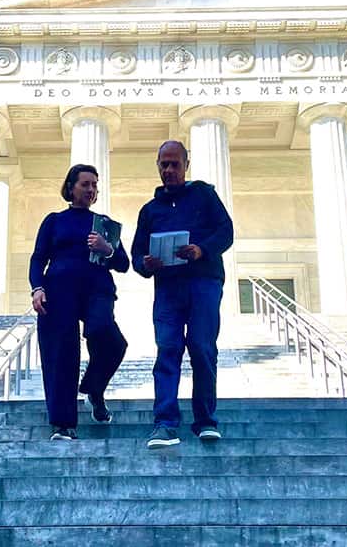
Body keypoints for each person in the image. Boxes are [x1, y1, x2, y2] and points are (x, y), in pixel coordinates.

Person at [132, 140, 234, 449]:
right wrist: (145, 264)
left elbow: (226, 232)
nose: (169, 170)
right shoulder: (150, 210)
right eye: (164, 164)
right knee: (167, 350)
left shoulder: (204, 195)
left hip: (203, 282)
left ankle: (205, 421)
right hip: (168, 289)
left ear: (186, 165)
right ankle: (165, 424)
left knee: (202, 349)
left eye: (175, 164)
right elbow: (138, 254)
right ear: (158, 166)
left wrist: (201, 249)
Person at [29, 164, 129, 441]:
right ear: (71, 187)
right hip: (58, 291)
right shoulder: (54, 221)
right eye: (85, 184)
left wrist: (107, 249)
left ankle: (94, 390)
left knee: (110, 339)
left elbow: (123, 263)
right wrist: (37, 288)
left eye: (95, 185)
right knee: (61, 353)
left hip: (97, 290)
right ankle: (63, 425)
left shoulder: (104, 224)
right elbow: (38, 258)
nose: (91, 189)